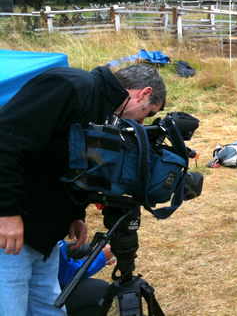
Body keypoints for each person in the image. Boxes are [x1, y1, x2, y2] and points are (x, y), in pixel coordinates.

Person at [0, 63, 166, 315]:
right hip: (11, 234)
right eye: (148, 112)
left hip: (43, 238)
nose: (142, 122)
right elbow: (6, 142)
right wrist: (6, 212)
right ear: (144, 93)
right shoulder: (71, 87)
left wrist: (75, 214)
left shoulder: (105, 111)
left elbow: (74, 166)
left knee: (49, 309)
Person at [58, 240, 115, 316]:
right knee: (100, 290)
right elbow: (65, 274)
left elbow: (58, 248)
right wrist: (100, 257)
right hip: (41, 299)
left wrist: (93, 249)